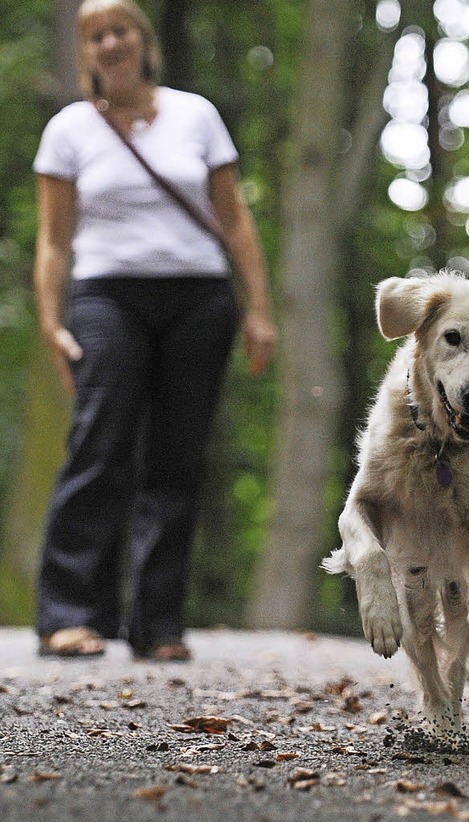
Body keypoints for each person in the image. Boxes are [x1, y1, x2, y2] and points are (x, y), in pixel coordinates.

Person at [32, 0, 276, 660]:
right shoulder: (69, 130)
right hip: (106, 297)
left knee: (178, 457)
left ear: (144, 42)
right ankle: (68, 613)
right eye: (96, 35)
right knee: (99, 445)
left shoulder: (196, 116)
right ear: (86, 53)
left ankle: (158, 624)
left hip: (199, 298)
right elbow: (54, 241)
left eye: (121, 30)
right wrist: (51, 319)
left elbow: (235, 220)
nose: (110, 43)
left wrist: (258, 308)